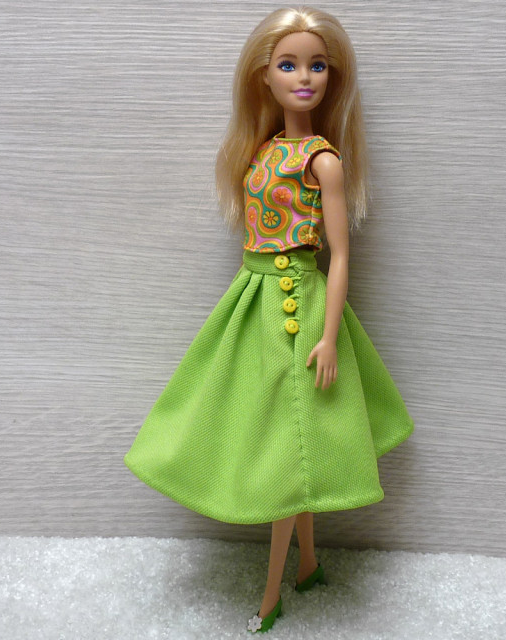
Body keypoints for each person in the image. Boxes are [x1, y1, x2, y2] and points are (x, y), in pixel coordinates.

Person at [124, 6, 414, 634]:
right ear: (263, 75)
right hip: (253, 301)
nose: (304, 78)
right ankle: (306, 564)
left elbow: (339, 258)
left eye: (317, 66)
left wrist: (329, 336)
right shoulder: (260, 152)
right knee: (275, 439)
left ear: (333, 77)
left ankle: (270, 594)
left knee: (290, 452)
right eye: (289, 65)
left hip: (297, 307)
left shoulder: (323, 161)